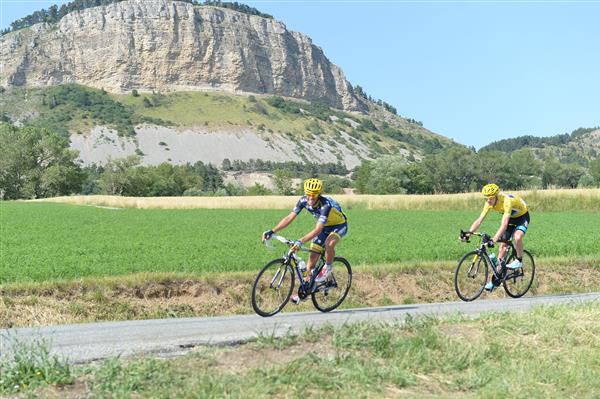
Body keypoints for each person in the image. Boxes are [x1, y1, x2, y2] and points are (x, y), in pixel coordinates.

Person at [262, 178, 348, 304]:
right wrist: (272, 231)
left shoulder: (326, 206)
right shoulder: (303, 200)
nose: (311, 199)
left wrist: (300, 241)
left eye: (314, 196)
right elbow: (289, 218)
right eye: (309, 196)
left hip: (338, 226)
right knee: (310, 264)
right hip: (324, 227)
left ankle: (327, 268)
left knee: (328, 244)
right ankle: (305, 292)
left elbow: (318, 229)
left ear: (319, 195)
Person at [462, 183, 530, 292]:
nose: (488, 201)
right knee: (502, 248)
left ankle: (519, 259)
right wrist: (468, 233)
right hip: (511, 219)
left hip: (522, 217)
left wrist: (493, 240)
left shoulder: (506, 201)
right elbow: (479, 220)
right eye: (486, 198)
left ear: (496, 196)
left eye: (490, 198)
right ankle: (496, 280)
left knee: (517, 237)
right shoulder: (488, 203)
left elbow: (503, 225)